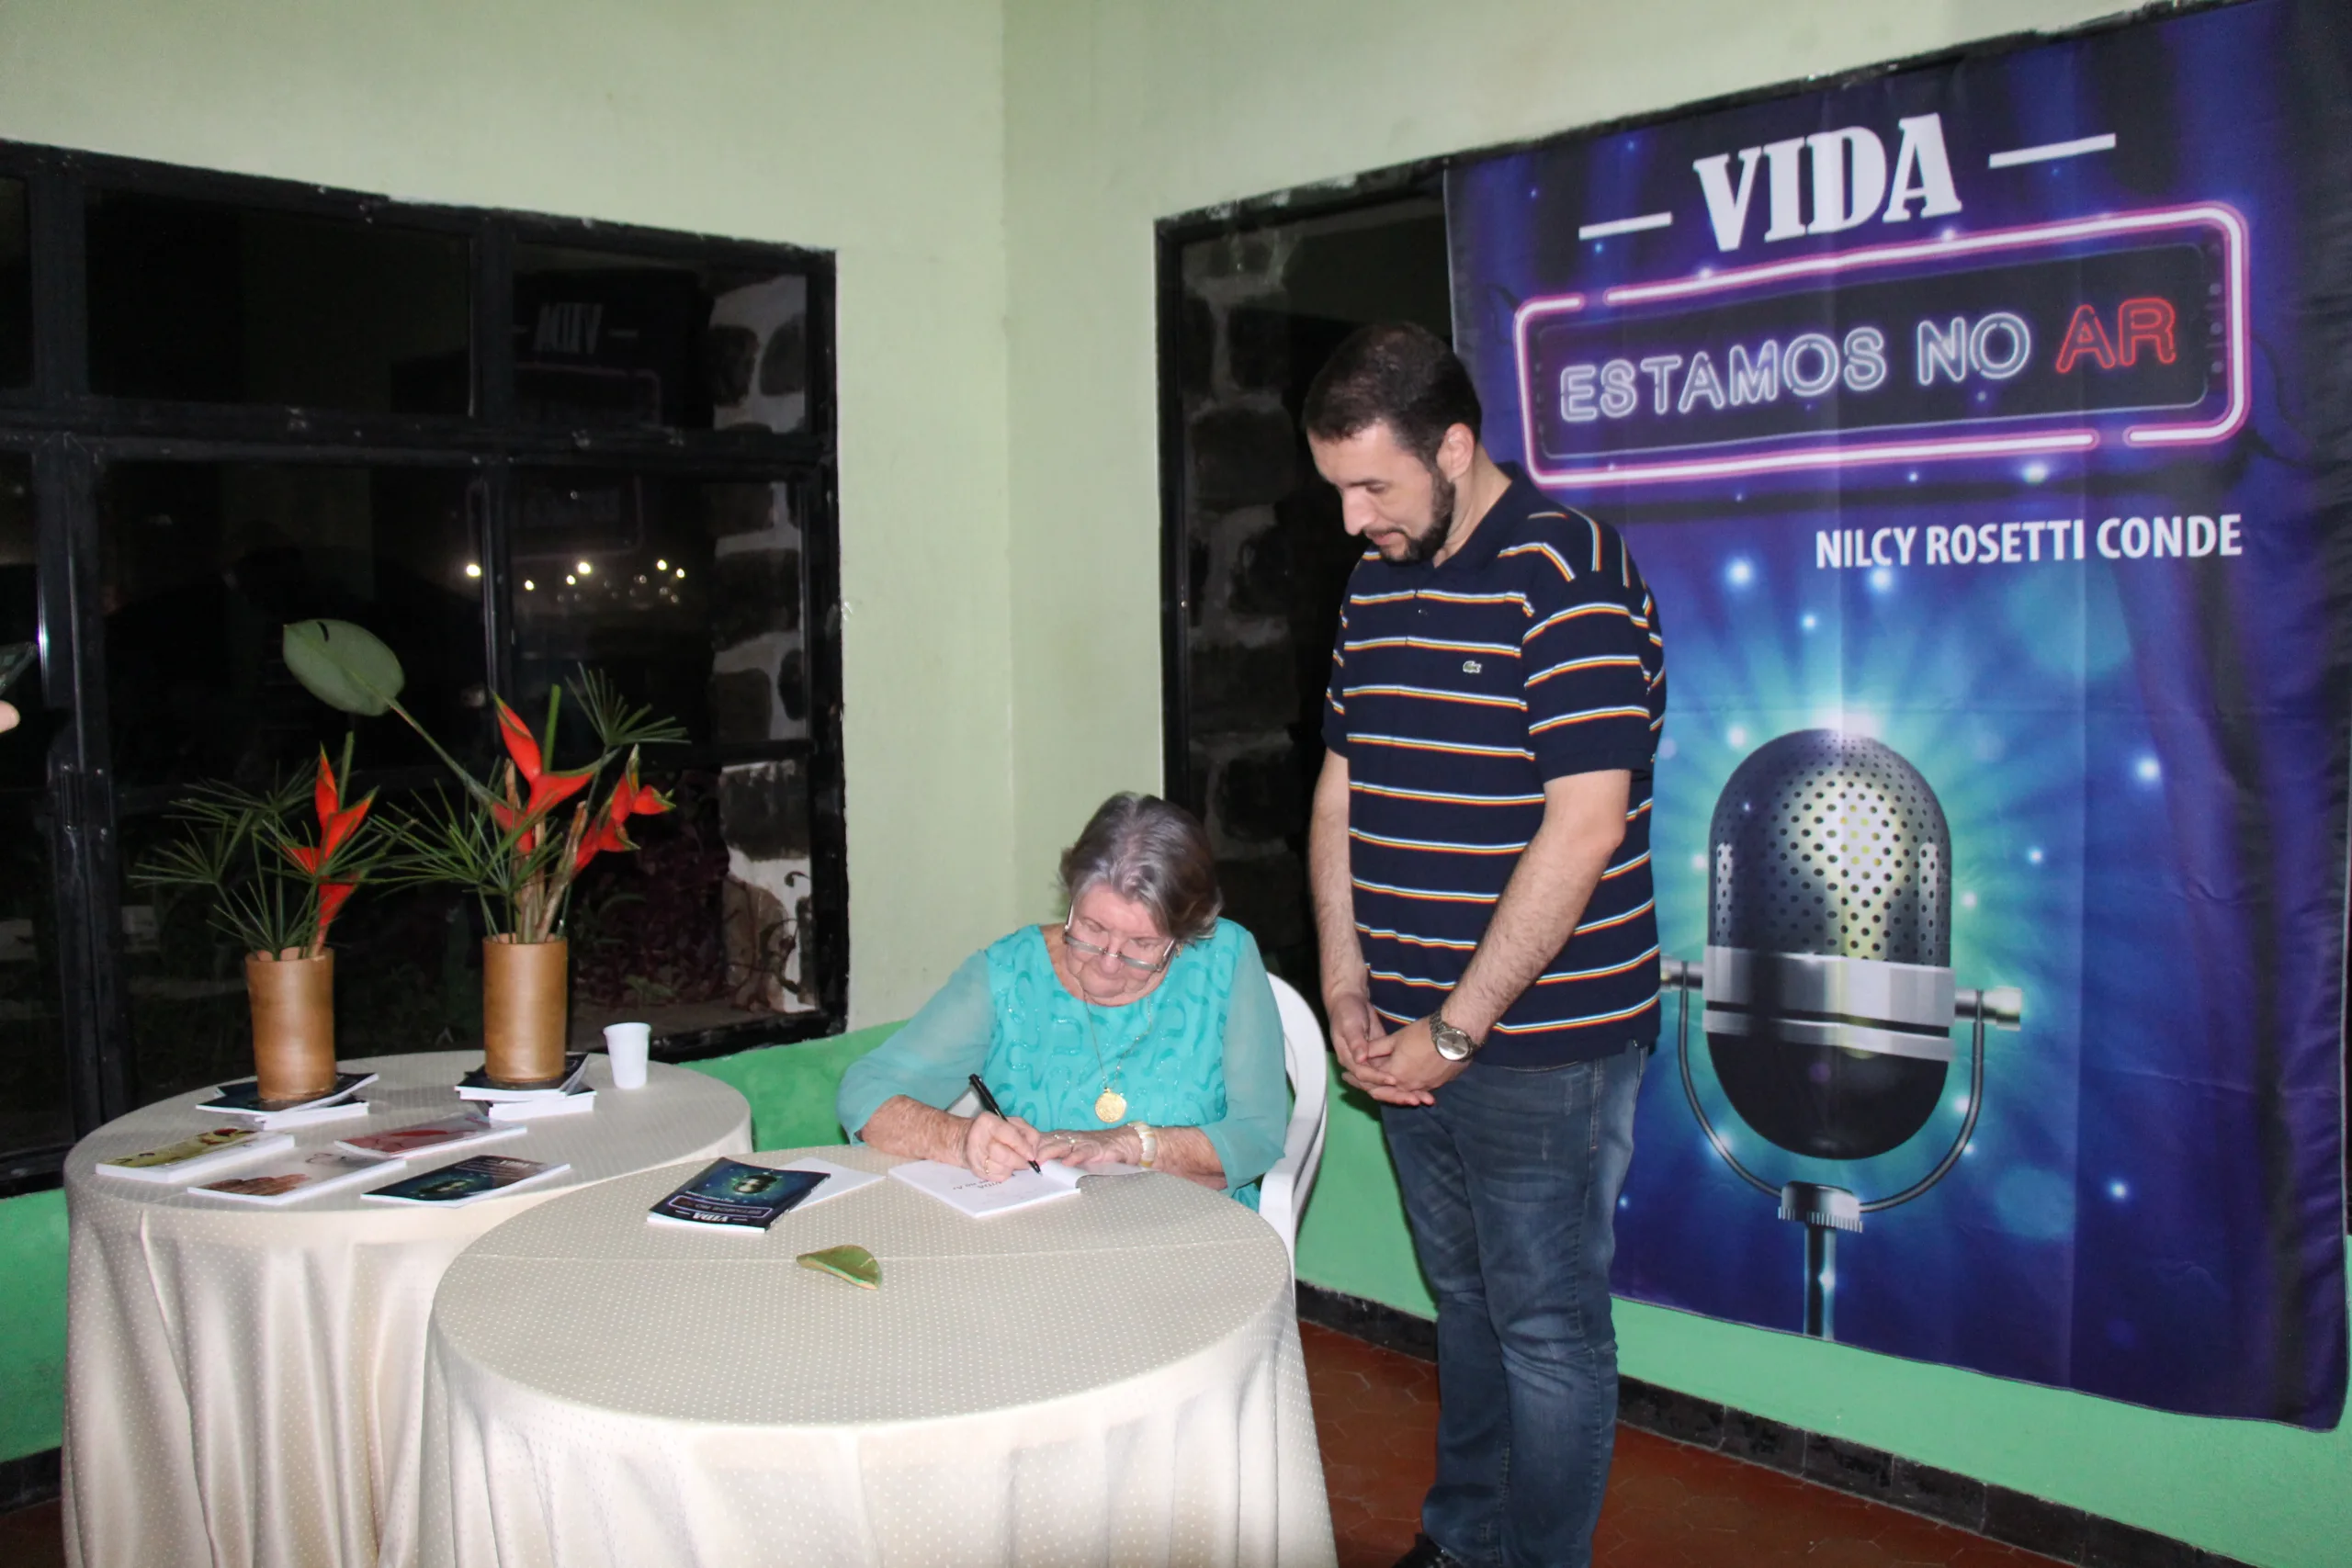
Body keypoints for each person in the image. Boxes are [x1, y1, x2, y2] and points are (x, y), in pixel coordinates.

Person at [1304, 322, 1667, 1568]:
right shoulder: (1377, 579)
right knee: (1467, 1306)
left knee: (1548, 1328)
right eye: (1338, 488)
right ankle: (1463, 1541)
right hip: (1409, 1034)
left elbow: (1585, 825)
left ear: (1455, 446)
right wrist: (1347, 981)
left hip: (1541, 1048)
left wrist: (1459, 1027)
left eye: (1375, 486)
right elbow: (1340, 793)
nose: (1354, 519)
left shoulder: (1569, 571)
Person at [838, 792, 1289, 1205]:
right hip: (1043, 1234)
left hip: (1194, 1233)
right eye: (1093, 929)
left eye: (1142, 944)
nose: (1110, 962)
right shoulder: (1009, 974)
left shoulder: (1224, 959)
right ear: (1071, 898)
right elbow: (865, 1092)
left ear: (1184, 935)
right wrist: (961, 1138)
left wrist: (1131, 1145)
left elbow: (1257, 1135)